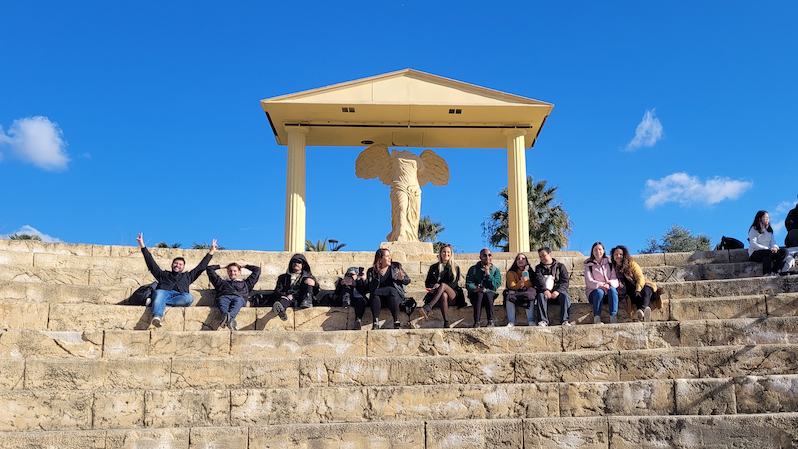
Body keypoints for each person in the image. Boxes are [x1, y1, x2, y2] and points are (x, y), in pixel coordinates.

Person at [136, 232, 216, 328]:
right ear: (172, 264)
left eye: (180, 264)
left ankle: (157, 303)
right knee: (159, 293)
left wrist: (211, 252)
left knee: (189, 298)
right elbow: (151, 263)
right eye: (175, 263)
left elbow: (201, 267)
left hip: (179, 296)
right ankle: (157, 316)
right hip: (164, 293)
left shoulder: (188, 276)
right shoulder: (163, 275)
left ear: (183, 267)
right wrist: (142, 246)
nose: (177, 265)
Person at [610, 245, 661, 323]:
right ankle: (643, 313)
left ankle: (642, 310)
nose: (618, 256)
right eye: (616, 254)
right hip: (628, 292)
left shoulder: (631, 264)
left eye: (620, 254)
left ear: (624, 255)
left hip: (640, 286)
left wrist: (638, 289)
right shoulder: (612, 268)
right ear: (613, 256)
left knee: (646, 290)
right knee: (635, 296)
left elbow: (640, 277)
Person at [364, 248, 411, 330]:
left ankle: (396, 320)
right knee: (375, 294)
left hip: (394, 298)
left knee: (391, 291)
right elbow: (370, 289)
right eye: (387, 256)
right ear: (380, 259)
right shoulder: (372, 271)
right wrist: (364, 280)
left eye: (390, 256)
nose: (390, 258)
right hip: (379, 300)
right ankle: (375, 321)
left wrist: (402, 279)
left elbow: (407, 280)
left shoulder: (396, 267)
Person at [206, 261, 260, 330]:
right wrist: (224, 266)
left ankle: (227, 317)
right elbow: (209, 269)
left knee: (238, 302)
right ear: (227, 272)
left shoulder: (246, 284)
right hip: (224, 297)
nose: (232, 273)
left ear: (239, 272)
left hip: (239, 298)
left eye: (235, 271)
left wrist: (244, 266)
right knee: (222, 303)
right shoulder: (220, 282)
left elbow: (257, 270)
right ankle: (230, 319)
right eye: (230, 271)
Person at [419, 243, 462, 328]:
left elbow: (454, 284)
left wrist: (440, 286)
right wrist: (433, 287)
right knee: (444, 295)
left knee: (443, 286)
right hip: (438, 296)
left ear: (451, 254)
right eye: (444, 252)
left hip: (452, 295)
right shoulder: (433, 267)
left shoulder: (455, 267)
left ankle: (428, 307)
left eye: (448, 252)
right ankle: (446, 322)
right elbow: (428, 283)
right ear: (440, 253)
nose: (446, 254)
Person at [271, 254, 318, 320]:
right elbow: (278, 290)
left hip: (301, 299)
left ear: (303, 265)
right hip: (288, 298)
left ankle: (307, 302)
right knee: (283, 301)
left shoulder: (309, 277)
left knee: (309, 282)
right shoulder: (283, 277)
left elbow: (316, 291)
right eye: (294, 261)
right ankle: (281, 311)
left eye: (299, 262)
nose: (296, 264)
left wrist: (314, 284)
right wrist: (285, 296)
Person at [534, 247, 572, 326]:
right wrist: (545, 290)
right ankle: (543, 320)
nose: (542, 258)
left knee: (565, 296)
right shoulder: (538, 268)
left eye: (544, 255)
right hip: (545, 293)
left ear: (550, 254)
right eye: (540, 257)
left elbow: (565, 282)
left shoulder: (560, 266)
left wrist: (557, 291)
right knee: (540, 296)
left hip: (557, 293)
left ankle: (565, 320)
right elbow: (538, 280)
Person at [583, 242, 619, 324]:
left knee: (613, 290)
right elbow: (589, 281)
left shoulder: (610, 264)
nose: (598, 251)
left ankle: (613, 317)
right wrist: (601, 285)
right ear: (592, 252)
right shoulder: (588, 265)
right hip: (595, 293)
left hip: (608, 291)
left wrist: (608, 284)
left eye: (600, 249)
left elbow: (615, 278)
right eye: (595, 250)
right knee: (599, 292)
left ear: (603, 251)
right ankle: (597, 318)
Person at [466, 248, 502, 328]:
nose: (487, 257)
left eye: (489, 255)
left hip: (489, 295)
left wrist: (488, 274)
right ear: (480, 257)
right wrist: (475, 289)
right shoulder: (473, 269)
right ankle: (477, 322)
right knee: (479, 294)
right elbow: (469, 283)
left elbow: (495, 285)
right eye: (485, 255)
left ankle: (490, 321)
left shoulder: (495, 270)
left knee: (488, 294)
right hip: (476, 294)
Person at [748, 210, 788, 275]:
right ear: (760, 218)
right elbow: (753, 244)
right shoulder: (754, 229)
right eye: (765, 217)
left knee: (784, 251)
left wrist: (775, 247)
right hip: (756, 252)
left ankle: (775, 271)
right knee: (767, 253)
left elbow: (773, 242)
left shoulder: (769, 230)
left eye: (768, 218)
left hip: (768, 251)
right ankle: (766, 273)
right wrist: (766, 248)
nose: (767, 219)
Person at [504, 253, 537, 327]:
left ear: (526, 262)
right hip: (515, 291)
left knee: (531, 293)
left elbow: (530, 285)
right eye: (518, 259)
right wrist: (521, 283)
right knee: (508, 295)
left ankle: (531, 321)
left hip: (526, 292)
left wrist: (525, 276)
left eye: (523, 259)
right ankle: (511, 322)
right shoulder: (511, 273)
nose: (520, 260)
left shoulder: (531, 272)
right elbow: (512, 286)